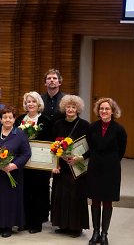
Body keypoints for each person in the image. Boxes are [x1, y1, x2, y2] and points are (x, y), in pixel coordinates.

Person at [85, 98, 127, 245]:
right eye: (101, 108)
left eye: (107, 109)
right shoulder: (92, 127)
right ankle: (95, 232)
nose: (104, 111)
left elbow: (121, 150)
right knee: (95, 199)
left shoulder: (119, 129)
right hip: (95, 166)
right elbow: (90, 147)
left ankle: (104, 234)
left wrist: (111, 161)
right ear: (98, 111)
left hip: (111, 168)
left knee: (107, 200)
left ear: (113, 111)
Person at [0, 106, 31, 238]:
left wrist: (14, 165)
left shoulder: (20, 134)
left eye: (10, 117)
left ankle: (8, 226)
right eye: (4, 117)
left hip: (12, 173)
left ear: (14, 119)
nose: (7, 120)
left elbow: (26, 153)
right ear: (0, 119)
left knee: (9, 200)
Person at [50, 95, 90, 238]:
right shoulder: (58, 124)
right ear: (64, 108)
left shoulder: (85, 125)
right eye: (68, 106)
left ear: (78, 109)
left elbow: (90, 147)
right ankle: (63, 225)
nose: (70, 109)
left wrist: (80, 157)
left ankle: (76, 227)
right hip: (62, 167)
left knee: (75, 196)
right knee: (61, 195)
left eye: (74, 107)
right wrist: (56, 163)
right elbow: (52, 146)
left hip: (77, 166)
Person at [14, 91, 53, 233]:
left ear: (39, 104)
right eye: (28, 102)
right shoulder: (19, 120)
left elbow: (51, 143)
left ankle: (36, 223)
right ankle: (24, 221)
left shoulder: (46, 121)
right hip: (23, 164)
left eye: (33, 101)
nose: (30, 104)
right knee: (25, 192)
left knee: (39, 192)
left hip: (40, 164)